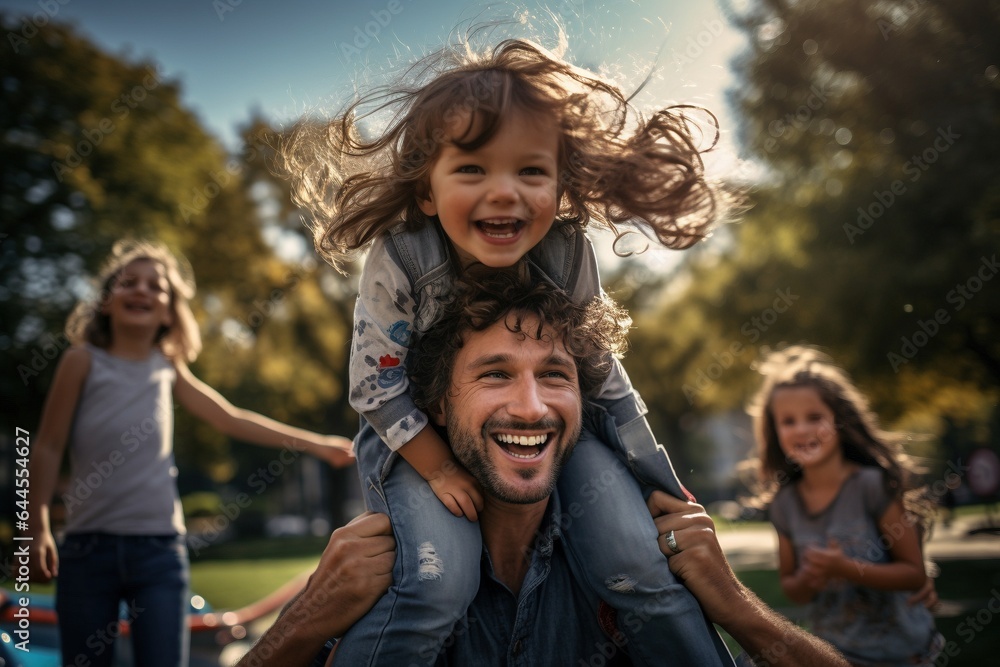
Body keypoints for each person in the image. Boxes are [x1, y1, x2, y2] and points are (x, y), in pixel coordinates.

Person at [279, 35, 736, 665]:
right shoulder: (402, 257)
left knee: (639, 564)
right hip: (409, 435)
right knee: (436, 584)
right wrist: (439, 468)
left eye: (530, 170)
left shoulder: (568, 252)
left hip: (544, 435)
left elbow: (599, 373)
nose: (504, 192)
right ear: (427, 192)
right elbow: (375, 386)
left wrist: (659, 480)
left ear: (561, 184)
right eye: (472, 169)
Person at [236, 274, 850, 667]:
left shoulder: (632, 564)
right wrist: (302, 624)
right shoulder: (390, 577)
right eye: (495, 374)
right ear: (435, 406)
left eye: (555, 376)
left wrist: (736, 604)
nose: (531, 407)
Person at [26, 239, 355, 667]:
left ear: (168, 311)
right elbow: (47, 446)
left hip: (159, 553)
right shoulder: (81, 361)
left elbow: (231, 417)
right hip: (88, 552)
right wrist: (35, 529)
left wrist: (317, 444)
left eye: (156, 286)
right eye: (129, 282)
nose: (142, 290)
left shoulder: (167, 369)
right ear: (107, 302)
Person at [745, 345, 944, 666]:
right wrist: (811, 577)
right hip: (835, 657)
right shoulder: (784, 505)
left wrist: (845, 568)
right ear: (774, 430)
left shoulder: (871, 486)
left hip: (902, 656)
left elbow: (914, 575)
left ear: (839, 420)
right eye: (788, 421)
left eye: (814, 417)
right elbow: (793, 589)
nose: (802, 429)